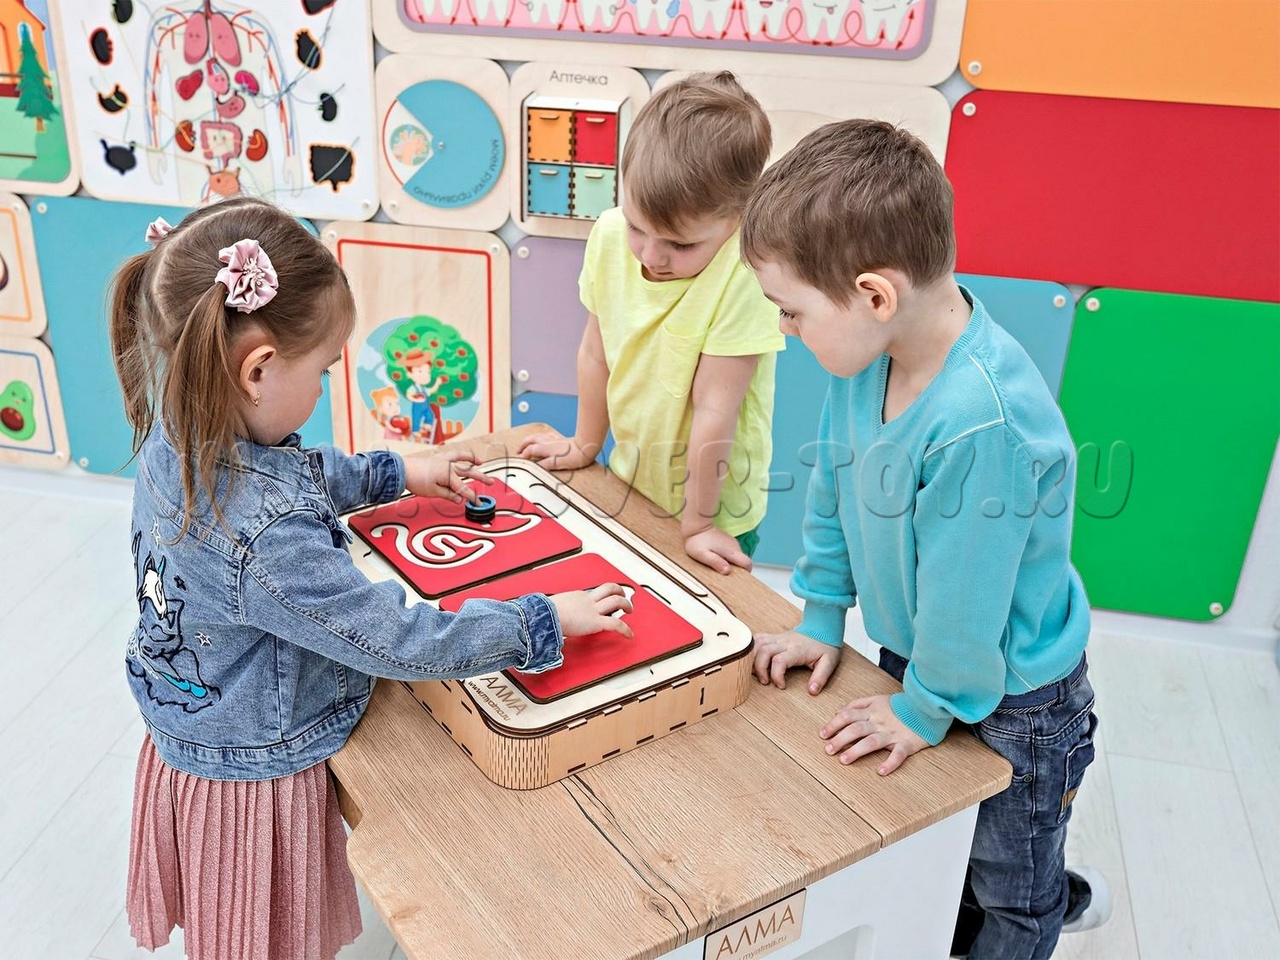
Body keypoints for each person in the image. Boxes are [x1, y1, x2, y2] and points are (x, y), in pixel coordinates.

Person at [110, 198, 632, 960]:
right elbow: (396, 638)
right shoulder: (269, 539)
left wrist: (394, 473)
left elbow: (285, 476)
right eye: (324, 371)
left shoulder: (179, 428)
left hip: (195, 724)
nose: (325, 389)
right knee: (264, 940)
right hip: (255, 770)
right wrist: (540, 620)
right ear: (257, 370)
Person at [740, 120, 1110, 958]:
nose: (785, 329)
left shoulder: (981, 422)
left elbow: (965, 606)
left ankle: (1052, 899)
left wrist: (925, 707)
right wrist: (821, 616)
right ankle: (1043, 885)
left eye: (791, 311)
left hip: (1016, 698)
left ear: (874, 295)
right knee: (945, 854)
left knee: (1008, 890)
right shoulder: (870, 357)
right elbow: (834, 487)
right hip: (929, 657)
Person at [519, 71, 785, 575]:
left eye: (680, 244)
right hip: (633, 479)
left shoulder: (746, 271)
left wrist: (699, 524)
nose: (651, 256)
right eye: (638, 227)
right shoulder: (608, 235)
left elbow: (716, 409)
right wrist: (585, 444)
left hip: (715, 508)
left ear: (739, 216)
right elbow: (596, 352)